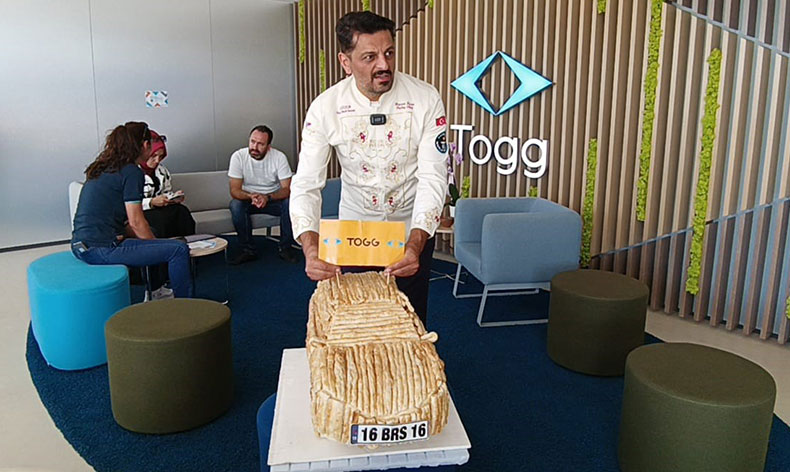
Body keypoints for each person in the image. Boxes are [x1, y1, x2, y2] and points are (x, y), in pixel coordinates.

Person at [289, 11, 448, 325]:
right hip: (356, 233)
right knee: (358, 321)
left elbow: (433, 177)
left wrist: (416, 243)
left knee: (410, 320)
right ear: (345, 62)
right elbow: (306, 183)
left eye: (389, 53)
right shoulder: (325, 108)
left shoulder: (425, 99)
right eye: (370, 57)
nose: (384, 65)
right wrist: (310, 247)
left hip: (411, 231)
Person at [71, 121, 193, 298]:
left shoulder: (103, 167)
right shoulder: (132, 172)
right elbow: (136, 221)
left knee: (152, 233)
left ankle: (155, 291)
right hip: (101, 249)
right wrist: (157, 248)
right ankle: (185, 305)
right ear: (145, 145)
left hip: (80, 245)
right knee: (178, 249)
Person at [228, 125, 300, 265]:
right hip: (249, 199)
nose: (254, 147)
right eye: (252, 142)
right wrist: (251, 196)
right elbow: (234, 190)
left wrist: (268, 197)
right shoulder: (238, 157)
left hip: (272, 199)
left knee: (290, 202)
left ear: (268, 146)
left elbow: (287, 189)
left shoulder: (279, 157)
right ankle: (248, 250)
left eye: (260, 144)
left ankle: (285, 248)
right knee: (235, 205)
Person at [140, 130, 196, 238]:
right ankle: (166, 246)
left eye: (160, 156)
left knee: (182, 211)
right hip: (143, 211)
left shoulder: (162, 170)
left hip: (160, 208)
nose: (157, 160)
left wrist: (172, 198)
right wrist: (152, 202)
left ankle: (191, 243)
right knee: (159, 219)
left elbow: (166, 191)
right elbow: (129, 203)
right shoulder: (132, 172)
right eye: (153, 156)